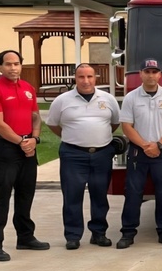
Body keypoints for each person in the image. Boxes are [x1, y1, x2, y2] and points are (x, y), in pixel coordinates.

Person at [0, 49, 48, 262]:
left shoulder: (27, 88)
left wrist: (34, 139)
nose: (13, 68)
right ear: (0, 67)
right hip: (6, 149)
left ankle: (25, 237)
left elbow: (35, 116)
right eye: (8, 64)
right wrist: (20, 141)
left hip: (28, 145)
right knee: (2, 195)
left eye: (16, 63)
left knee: (25, 194)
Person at [46, 63, 121, 250]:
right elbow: (53, 124)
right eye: (81, 77)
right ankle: (72, 235)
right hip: (73, 155)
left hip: (102, 154)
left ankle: (99, 233)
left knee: (99, 195)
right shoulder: (62, 100)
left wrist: (97, 138)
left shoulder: (108, 99)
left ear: (96, 78)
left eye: (89, 77)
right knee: (72, 196)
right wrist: (74, 137)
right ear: (75, 79)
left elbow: (114, 123)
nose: (86, 81)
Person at [117, 59, 162, 249]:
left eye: (155, 72)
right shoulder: (131, 97)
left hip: (161, 152)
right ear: (141, 74)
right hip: (138, 152)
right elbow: (126, 126)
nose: (151, 75)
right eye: (147, 72)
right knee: (133, 194)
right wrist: (146, 145)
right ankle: (128, 233)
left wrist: (159, 144)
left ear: (160, 75)